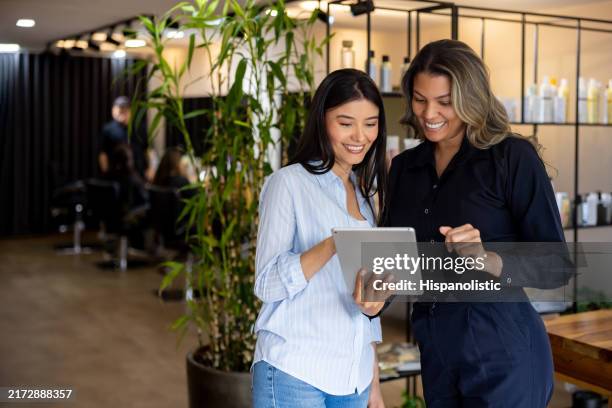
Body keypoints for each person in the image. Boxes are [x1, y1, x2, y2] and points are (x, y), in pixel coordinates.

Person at [384, 39, 564, 407]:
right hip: (437, 354)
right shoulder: (405, 168)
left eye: (445, 102)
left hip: (504, 354)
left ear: (471, 98)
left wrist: (488, 259)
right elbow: (395, 258)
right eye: (420, 99)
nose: (428, 112)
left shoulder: (512, 158)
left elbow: (555, 266)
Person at [252, 69, 390, 408]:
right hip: (295, 368)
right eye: (346, 123)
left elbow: (365, 311)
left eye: (370, 124)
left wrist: (373, 383)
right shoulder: (289, 183)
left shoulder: (365, 196)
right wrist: (331, 244)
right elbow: (266, 284)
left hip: (352, 376)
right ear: (322, 121)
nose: (360, 135)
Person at [98, 96, 149, 180]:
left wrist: (151, 168)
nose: (122, 112)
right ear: (113, 111)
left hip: (139, 173)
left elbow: (147, 150)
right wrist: (106, 172)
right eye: (119, 109)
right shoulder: (108, 129)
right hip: (116, 175)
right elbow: (103, 153)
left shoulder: (140, 128)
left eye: (125, 109)